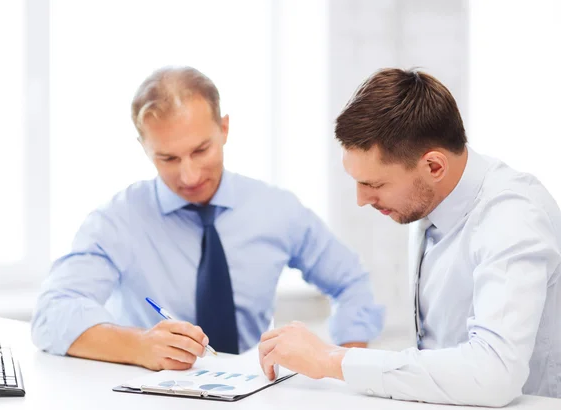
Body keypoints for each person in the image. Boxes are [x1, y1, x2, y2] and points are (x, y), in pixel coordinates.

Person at [31, 66, 384, 371]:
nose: (189, 175)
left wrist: (342, 364)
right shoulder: (117, 220)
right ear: (143, 148)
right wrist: (140, 346)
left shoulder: (276, 209)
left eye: (201, 150)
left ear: (225, 129)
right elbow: (51, 314)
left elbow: (351, 281)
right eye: (167, 159)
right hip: (151, 394)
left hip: (255, 392)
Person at [258, 68, 561, 407]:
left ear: (434, 166)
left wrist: (332, 360)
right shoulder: (430, 200)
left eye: (374, 185)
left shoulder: (512, 217)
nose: (361, 199)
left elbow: (493, 373)